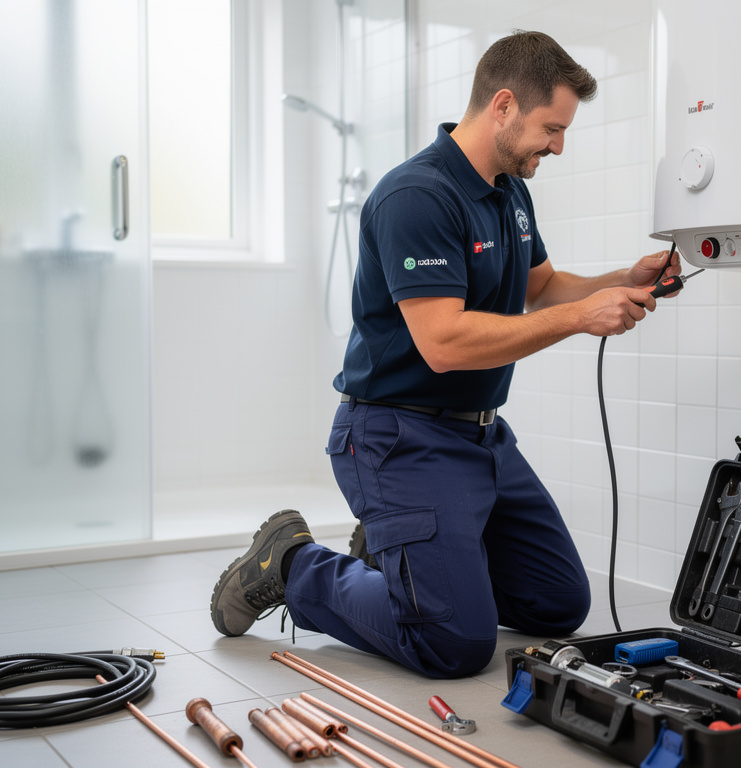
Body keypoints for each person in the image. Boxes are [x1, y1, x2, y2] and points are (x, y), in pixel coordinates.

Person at [211, 30, 680, 678]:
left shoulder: (509, 190)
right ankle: (293, 565)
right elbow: (443, 342)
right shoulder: (417, 196)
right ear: (504, 105)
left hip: (481, 440)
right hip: (398, 439)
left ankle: (406, 561)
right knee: (454, 644)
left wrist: (622, 280)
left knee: (558, 602)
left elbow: (541, 286)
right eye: (552, 128)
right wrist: (581, 319)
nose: (557, 146)